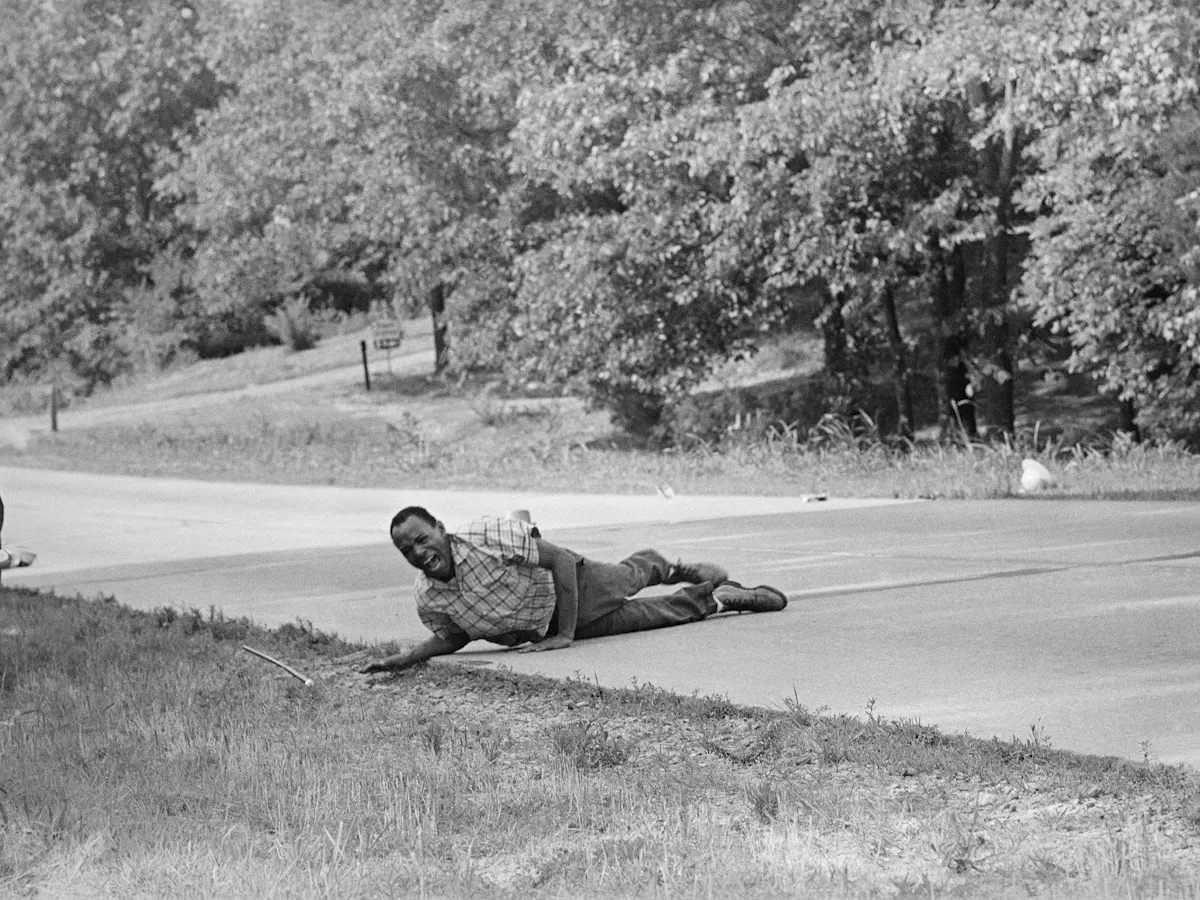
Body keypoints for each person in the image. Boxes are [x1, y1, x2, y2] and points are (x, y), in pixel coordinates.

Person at [359, 506, 787, 674]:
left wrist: (564, 636)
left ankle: (664, 564)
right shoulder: (429, 597)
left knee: (628, 579)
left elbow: (560, 559)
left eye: (421, 538)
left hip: (572, 585)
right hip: (545, 628)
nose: (418, 552)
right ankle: (719, 596)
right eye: (406, 550)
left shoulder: (481, 535)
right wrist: (408, 658)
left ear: (439, 529)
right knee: (650, 617)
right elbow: (454, 635)